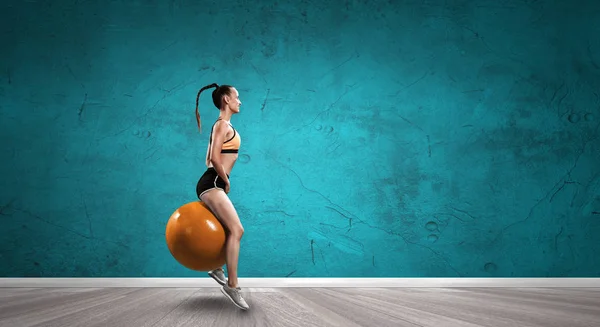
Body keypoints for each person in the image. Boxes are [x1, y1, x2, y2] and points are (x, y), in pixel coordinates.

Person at [194, 82, 249, 310]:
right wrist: (225, 180)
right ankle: (232, 286)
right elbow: (214, 160)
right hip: (214, 183)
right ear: (226, 99)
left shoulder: (221, 126)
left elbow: (207, 158)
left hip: (211, 182)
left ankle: (217, 267)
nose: (239, 100)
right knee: (237, 230)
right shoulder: (221, 126)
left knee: (228, 230)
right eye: (236, 96)